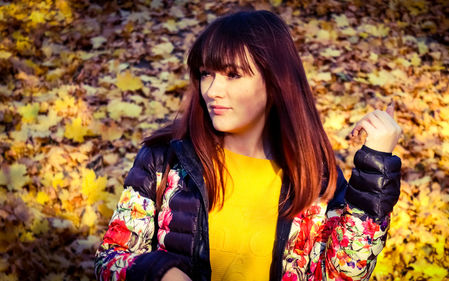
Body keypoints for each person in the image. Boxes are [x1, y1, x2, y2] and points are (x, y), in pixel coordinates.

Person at [95, 9, 402, 281]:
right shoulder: (165, 160)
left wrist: (375, 169)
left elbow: (343, 274)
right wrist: (162, 273)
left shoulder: (314, 176)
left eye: (233, 75)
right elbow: (112, 258)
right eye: (206, 74)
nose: (213, 90)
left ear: (275, 81)